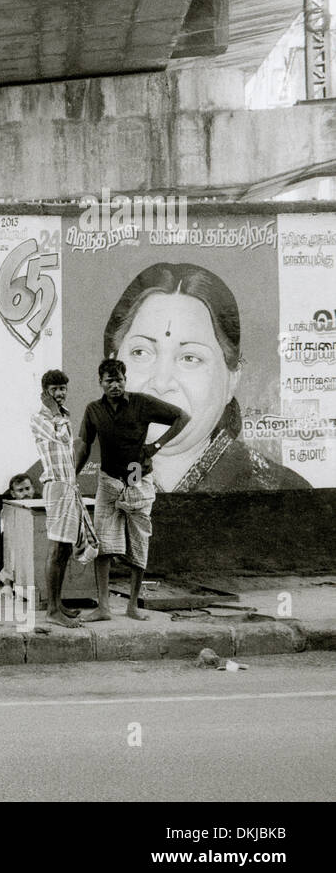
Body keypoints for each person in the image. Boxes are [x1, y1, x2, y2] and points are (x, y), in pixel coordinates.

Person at [104, 262, 310, 491]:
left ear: (232, 379)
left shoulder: (284, 494)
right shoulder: (68, 474)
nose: (161, 383)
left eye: (190, 358)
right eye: (140, 352)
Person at [75, 358, 189, 620]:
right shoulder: (93, 410)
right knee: (101, 544)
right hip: (109, 478)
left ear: (125, 380)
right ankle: (103, 608)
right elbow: (84, 444)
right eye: (109, 380)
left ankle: (132, 606)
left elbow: (182, 417)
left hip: (138, 476)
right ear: (100, 383)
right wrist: (73, 476)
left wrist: (156, 446)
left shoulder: (142, 403)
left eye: (119, 380)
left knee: (139, 542)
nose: (115, 385)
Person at [30, 369, 96, 628]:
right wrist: (55, 412)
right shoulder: (39, 419)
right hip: (56, 487)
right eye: (55, 389)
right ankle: (52, 610)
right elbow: (57, 439)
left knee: (66, 547)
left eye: (63, 389)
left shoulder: (64, 416)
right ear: (45, 392)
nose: (60, 394)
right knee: (57, 548)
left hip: (68, 486)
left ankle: (59, 604)